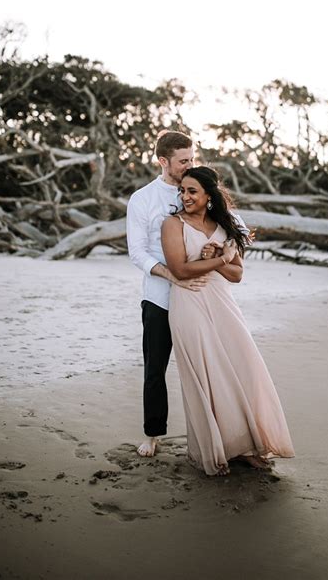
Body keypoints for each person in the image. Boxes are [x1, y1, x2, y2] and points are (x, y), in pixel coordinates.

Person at [161, 166, 295, 476]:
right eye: (182, 190)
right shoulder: (172, 224)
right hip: (189, 303)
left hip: (223, 303)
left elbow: (237, 274)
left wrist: (221, 255)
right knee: (208, 375)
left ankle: (246, 447)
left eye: (192, 191)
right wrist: (220, 258)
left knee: (242, 369)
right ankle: (216, 450)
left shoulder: (224, 225)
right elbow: (180, 270)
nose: (185, 196)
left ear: (209, 195)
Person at [126, 131, 209, 458]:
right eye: (184, 161)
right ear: (163, 161)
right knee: (155, 370)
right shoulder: (142, 199)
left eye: (192, 158)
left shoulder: (199, 190)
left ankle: (210, 433)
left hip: (198, 296)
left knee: (205, 368)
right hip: (159, 298)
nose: (190, 165)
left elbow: (226, 226)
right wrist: (172, 275)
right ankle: (153, 434)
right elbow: (137, 253)